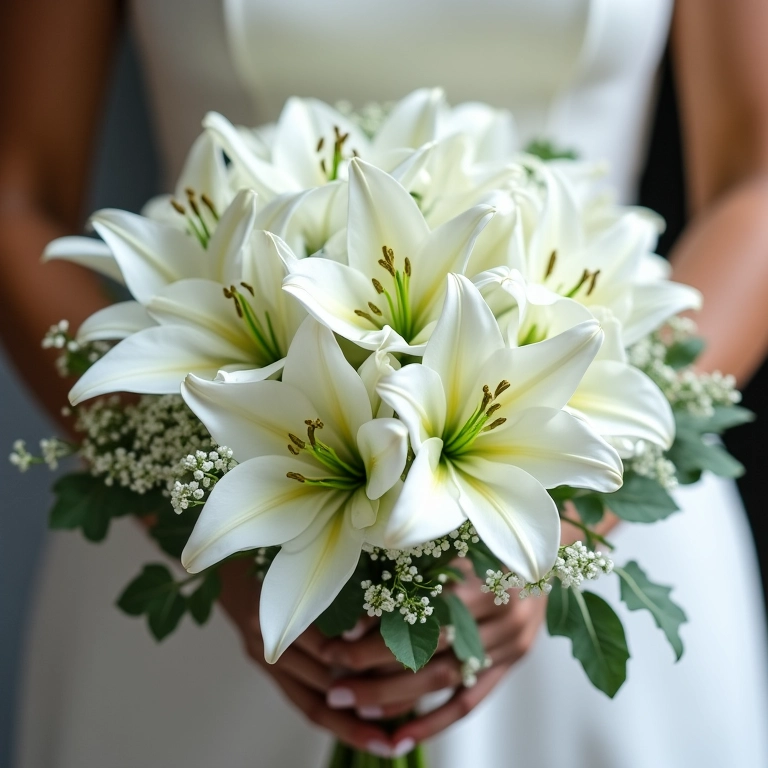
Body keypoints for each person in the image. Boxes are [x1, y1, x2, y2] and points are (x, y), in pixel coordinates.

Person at [2, 0, 768, 765]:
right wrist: (211, 531)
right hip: (213, 512)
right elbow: (16, 193)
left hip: (583, 456)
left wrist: (560, 535)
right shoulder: (212, 530)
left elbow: (755, 180)